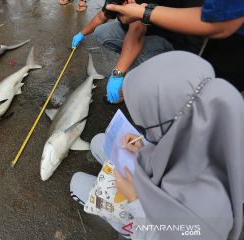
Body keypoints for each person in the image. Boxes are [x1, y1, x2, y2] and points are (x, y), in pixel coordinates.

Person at [70, 51, 244, 239]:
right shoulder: (215, 119)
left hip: (155, 226)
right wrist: (146, 149)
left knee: (76, 183)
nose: (143, 129)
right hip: (161, 187)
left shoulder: (205, 219)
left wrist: (134, 200)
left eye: (148, 125)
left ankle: (126, 228)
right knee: (99, 142)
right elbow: (179, 152)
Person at [71, 0, 203, 104]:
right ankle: (131, 68)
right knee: (102, 33)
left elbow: (136, 32)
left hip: (170, 38)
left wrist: (117, 73)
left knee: (137, 55)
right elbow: (102, 16)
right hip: (140, 30)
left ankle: (135, 86)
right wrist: (81, 34)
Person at [105, 1, 244, 91]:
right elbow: (135, 28)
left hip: (197, 42)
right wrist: (117, 73)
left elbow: (219, 24)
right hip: (215, 33)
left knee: (215, 92)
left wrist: (144, 13)